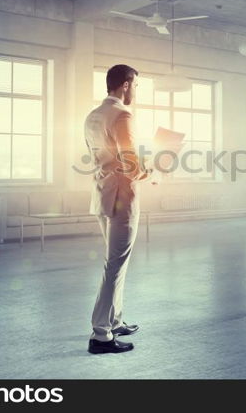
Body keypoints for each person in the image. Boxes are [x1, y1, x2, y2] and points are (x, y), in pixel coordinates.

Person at [84, 64, 149, 354]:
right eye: (135, 85)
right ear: (125, 84)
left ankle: (114, 320)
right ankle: (101, 335)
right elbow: (132, 166)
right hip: (122, 198)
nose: (135, 90)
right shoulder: (122, 115)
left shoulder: (93, 116)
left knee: (115, 263)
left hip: (102, 195)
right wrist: (153, 168)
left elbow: (103, 158)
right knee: (115, 265)